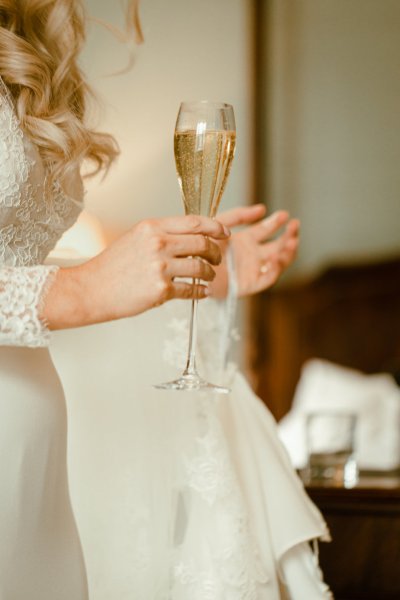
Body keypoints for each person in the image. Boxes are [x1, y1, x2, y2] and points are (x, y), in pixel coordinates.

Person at [0, 1, 331, 599]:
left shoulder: (21, 45)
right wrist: (81, 288)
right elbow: (65, 292)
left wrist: (190, 270)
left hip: (35, 438)